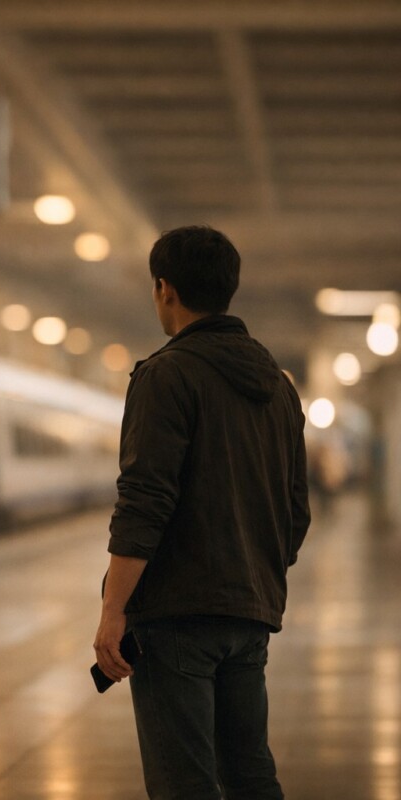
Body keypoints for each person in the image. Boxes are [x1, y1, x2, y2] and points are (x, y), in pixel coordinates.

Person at [93, 226, 310, 799]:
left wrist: (114, 608)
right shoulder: (280, 389)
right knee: (249, 774)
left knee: (182, 783)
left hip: (176, 614)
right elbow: (296, 510)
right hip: (249, 614)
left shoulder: (167, 374)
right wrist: (255, 574)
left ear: (165, 289)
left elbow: (144, 499)